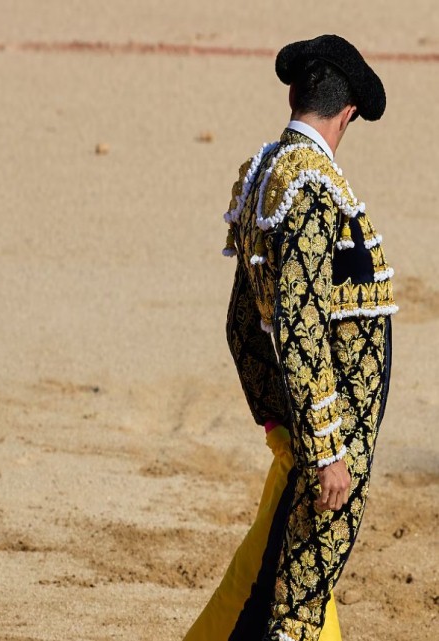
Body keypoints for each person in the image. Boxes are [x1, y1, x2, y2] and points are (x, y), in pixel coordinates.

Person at [187, 35, 397, 641]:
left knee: (273, 587)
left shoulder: (263, 178)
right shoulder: (311, 188)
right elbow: (303, 327)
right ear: (348, 113)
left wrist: (281, 425)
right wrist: (326, 449)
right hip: (335, 443)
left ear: (292, 93)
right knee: (298, 607)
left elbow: (240, 326)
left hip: (305, 431)